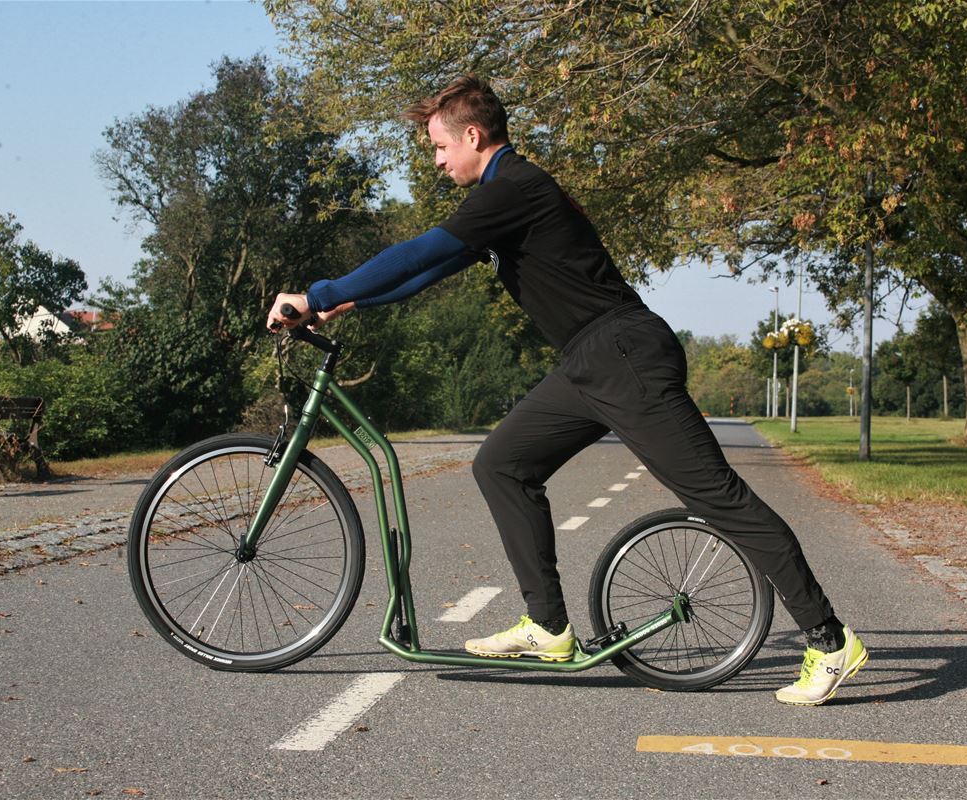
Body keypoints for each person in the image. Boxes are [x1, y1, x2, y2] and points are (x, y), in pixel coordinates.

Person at [267, 75, 867, 705]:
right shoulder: (502, 196)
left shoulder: (516, 186)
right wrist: (343, 301)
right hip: (588, 361)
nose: (438, 161)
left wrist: (318, 294)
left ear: (473, 136)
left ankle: (830, 641)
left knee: (719, 498)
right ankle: (549, 628)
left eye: (441, 147)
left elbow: (421, 249)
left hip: (624, 355)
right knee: (502, 463)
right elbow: (426, 271)